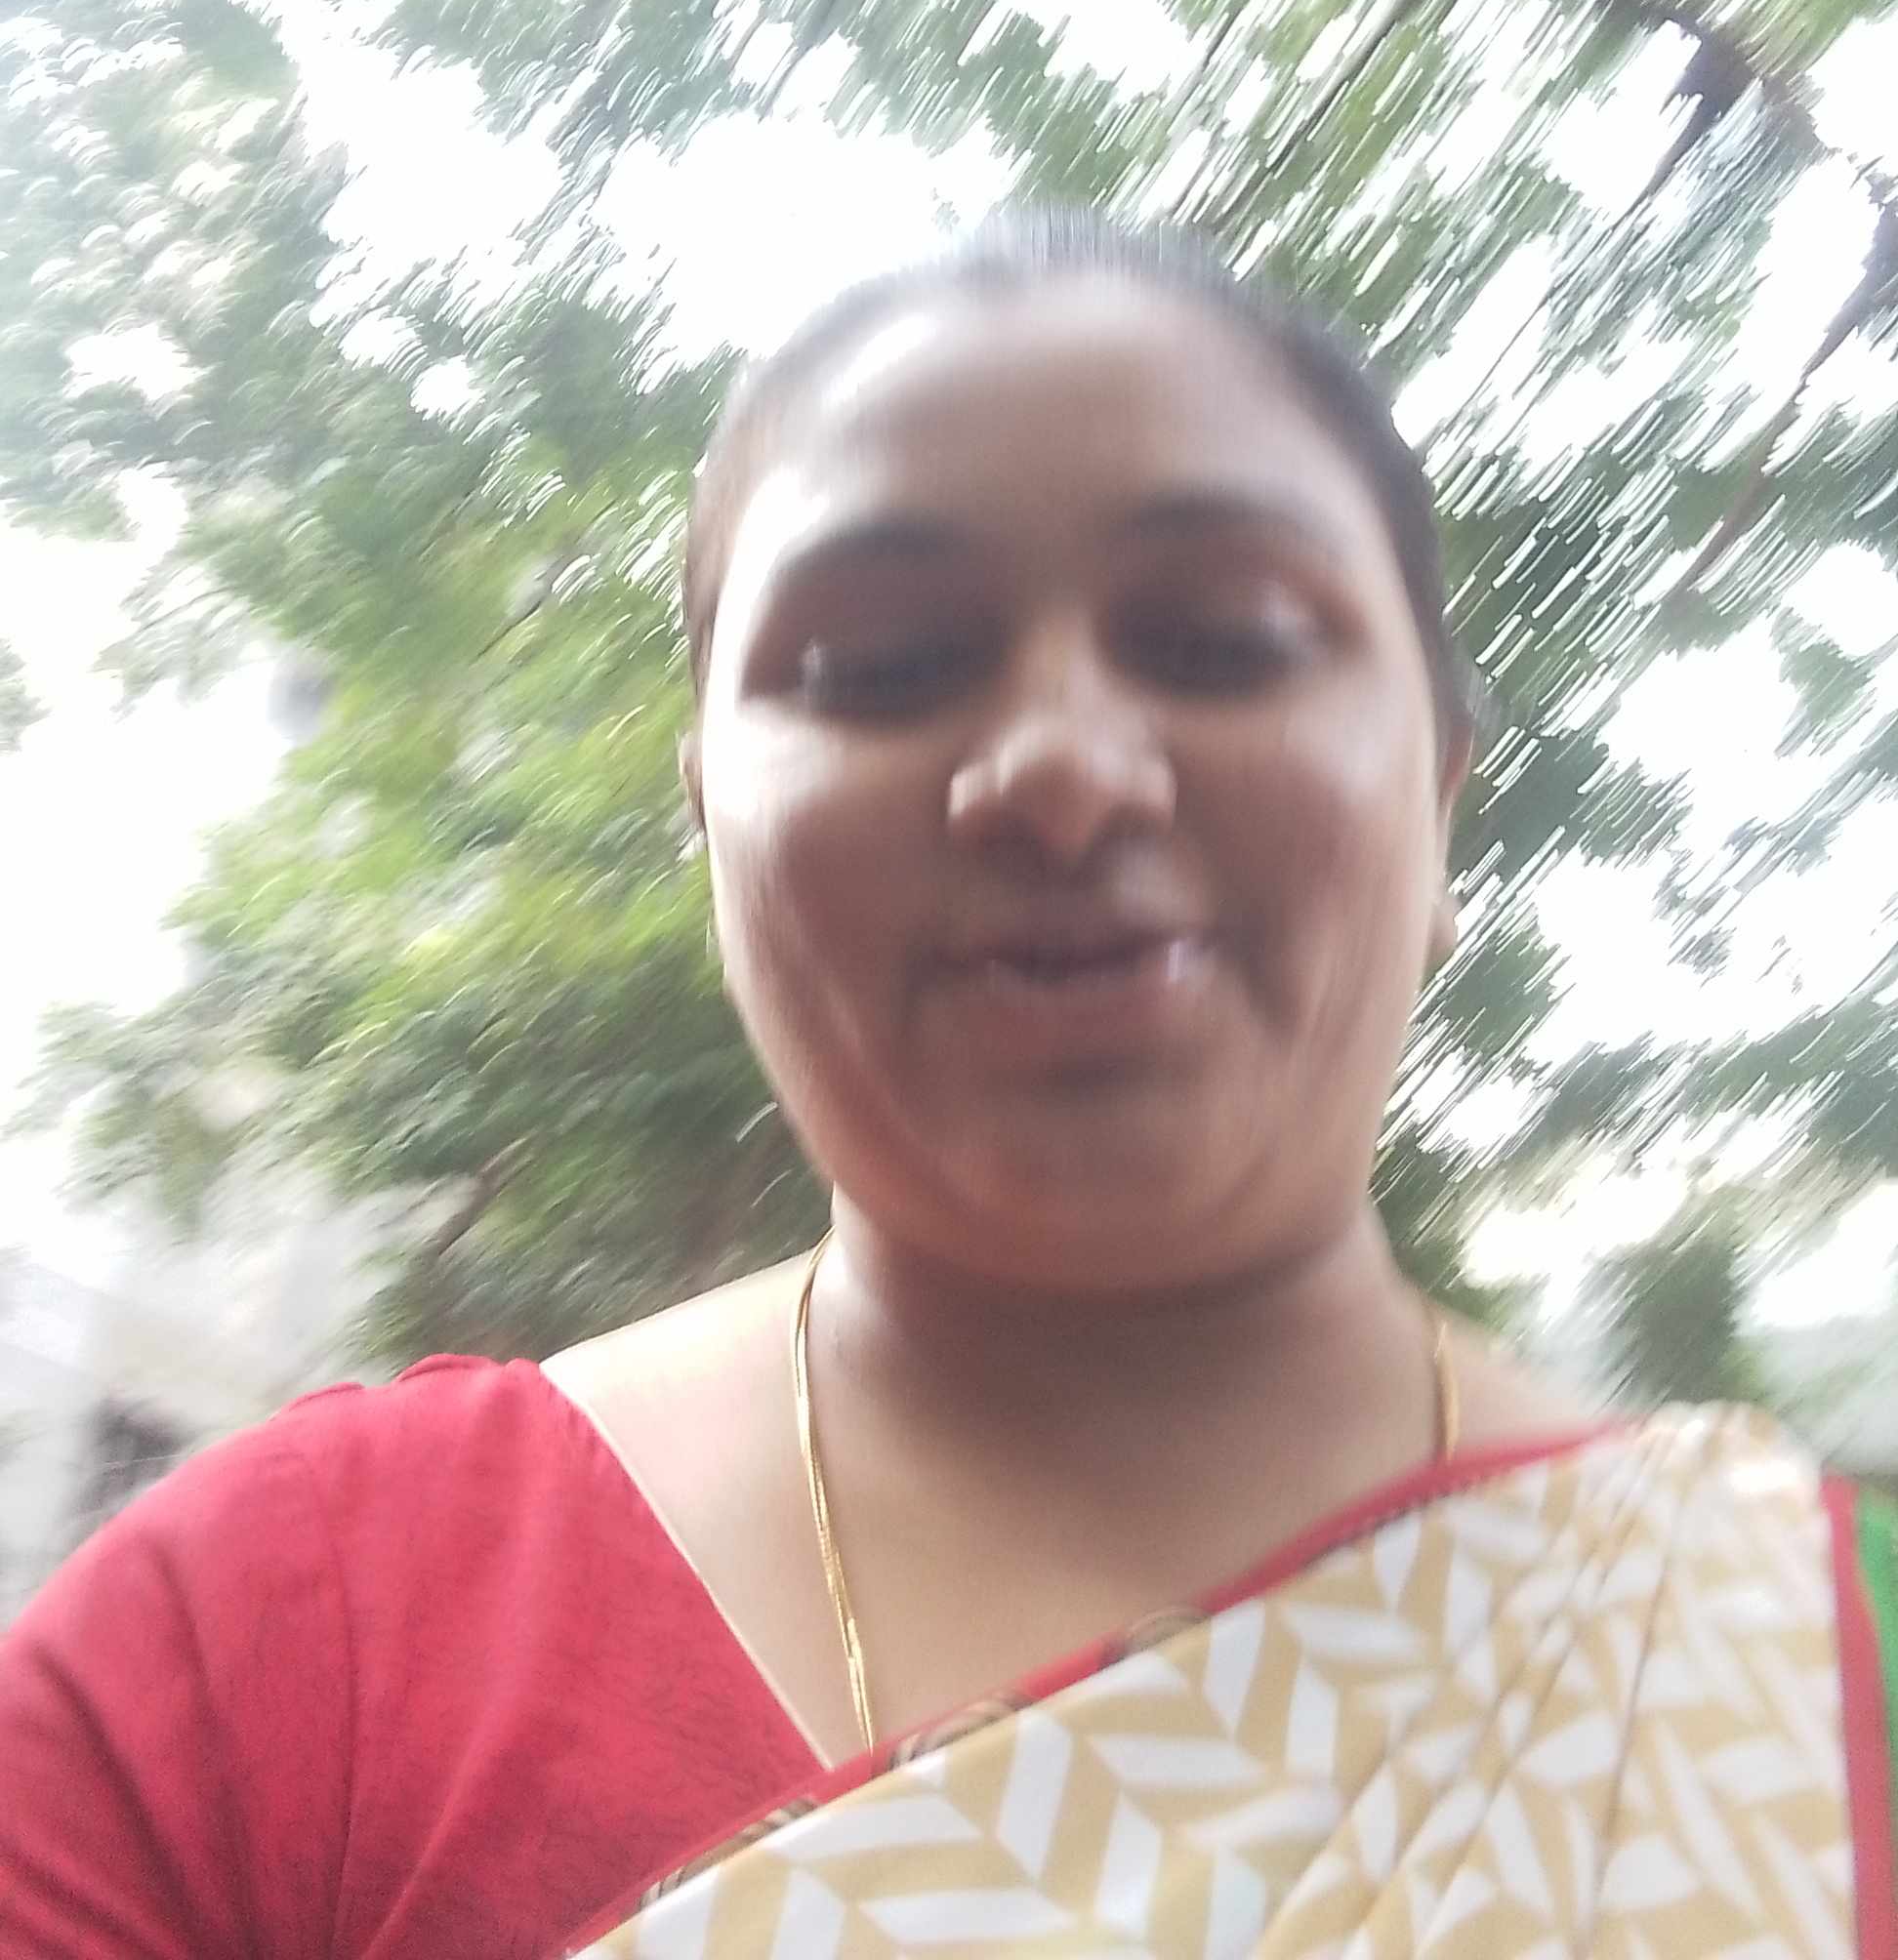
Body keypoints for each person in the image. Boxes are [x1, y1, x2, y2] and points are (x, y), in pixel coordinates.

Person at [2, 208, 1891, 1958]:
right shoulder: (270, 1650)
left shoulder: (1811, 1663)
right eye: (878, 665)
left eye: (1223, 639)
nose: (1062, 765)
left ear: (1441, 788)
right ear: (711, 822)